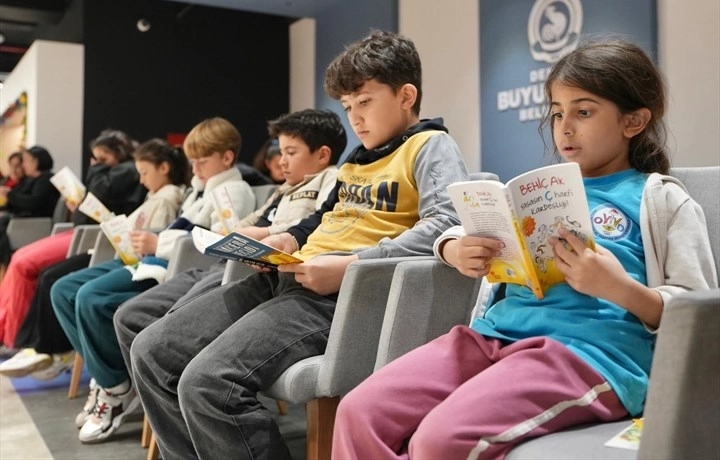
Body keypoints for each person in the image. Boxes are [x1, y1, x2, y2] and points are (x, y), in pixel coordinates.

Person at [331, 39, 718, 460]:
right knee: (358, 412)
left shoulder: (660, 198)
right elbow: (454, 229)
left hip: (589, 354)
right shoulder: (539, 192)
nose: (564, 127)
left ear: (634, 121)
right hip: (491, 338)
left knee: (439, 440)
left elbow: (697, 312)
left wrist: (619, 288)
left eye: (584, 112)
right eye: (557, 113)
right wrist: (454, 248)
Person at [129, 29, 469, 460]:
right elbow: (321, 219)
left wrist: (354, 263)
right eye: (348, 107)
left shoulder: (431, 145)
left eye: (365, 102)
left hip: (342, 297)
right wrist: (284, 239)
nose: (356, 118)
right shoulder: (357, 160)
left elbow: (447, 222)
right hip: (288, 277)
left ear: (406, 95)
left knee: (209, 384)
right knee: (151, 352)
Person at [51, 117, 254, 444]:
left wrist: (158, 243)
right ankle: (108, 375)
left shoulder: (232, 191)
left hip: (173, 266)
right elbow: (183, 229)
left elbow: (217, 243)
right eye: (192, 161)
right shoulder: (201, 190)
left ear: (227, 157)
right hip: (155, 258)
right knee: (63, 289)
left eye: (201, 161)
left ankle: (115, 386)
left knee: (92, 299)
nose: (195, 168)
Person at [114, 108, 347, 381]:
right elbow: (251, 220)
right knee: (158, 320)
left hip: (253, 270)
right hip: (228, 263)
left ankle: (156, 381)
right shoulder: (283, 190)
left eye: (290, 153)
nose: (281, 161)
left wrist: (265, 232)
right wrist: (233, 234)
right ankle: (152, 384)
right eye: (281, 151)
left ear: (322, 155)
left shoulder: (330, 179)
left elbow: (316, 225)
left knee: (172, 328)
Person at [0, 138, 190, 380]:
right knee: (54, 283)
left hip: (129, 256)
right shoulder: (155, 195)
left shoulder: (158, 195)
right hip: (114, 247)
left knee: (76, 290)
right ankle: (34, 342)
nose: (141, 179)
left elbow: (154, 236)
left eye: (101, 159)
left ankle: (104, 375)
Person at [0, 131, 143, 356]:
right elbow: (95, 203)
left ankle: (16, 336)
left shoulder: (125, 172)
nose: (96, 164)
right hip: (84, 231)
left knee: (26, 266)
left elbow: (100, 196)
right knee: (20, 261)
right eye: (95, 159)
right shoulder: (112, 173)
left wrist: (92, 178)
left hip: (95, 235)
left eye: (102, 159)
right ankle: (9, 330)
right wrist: (79, 203)